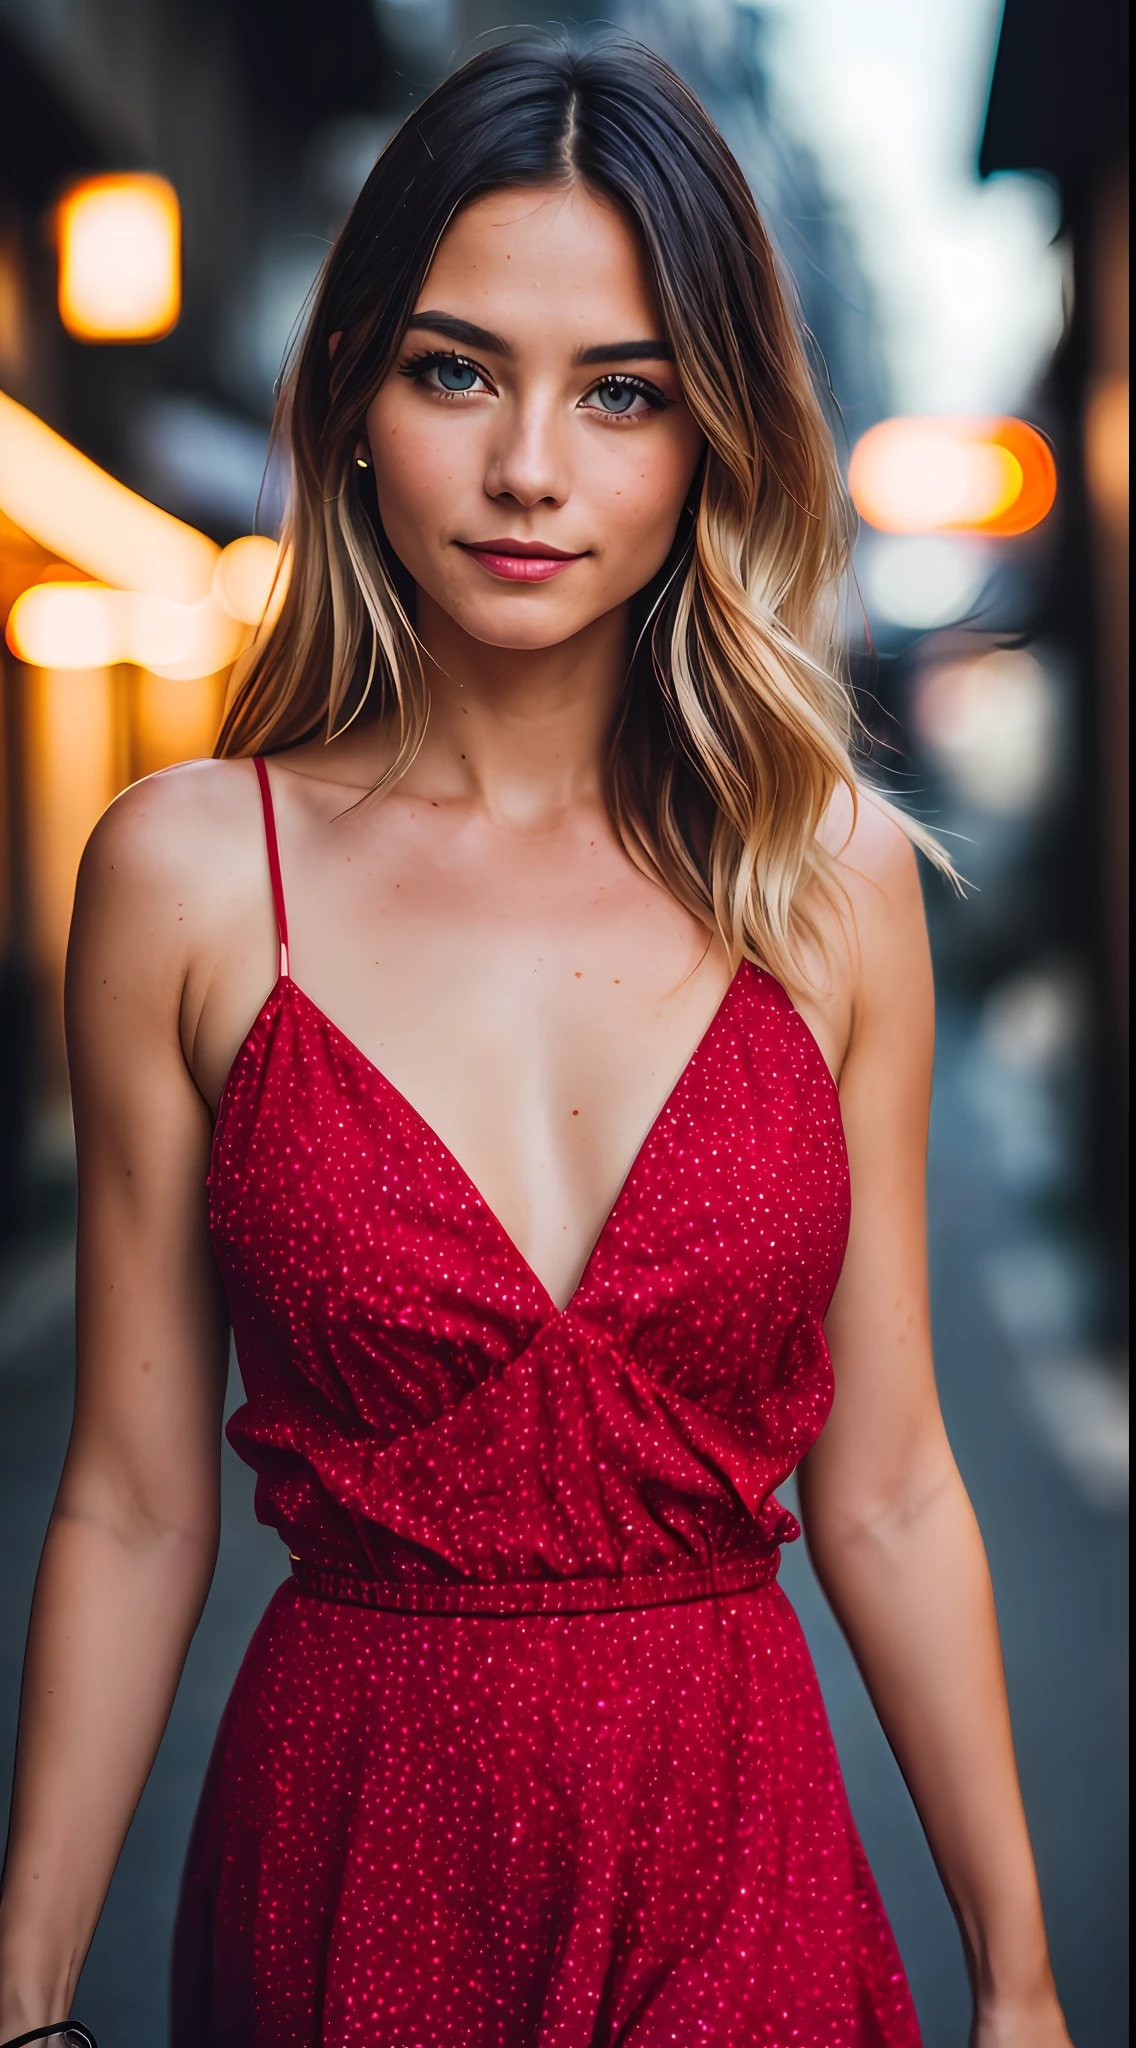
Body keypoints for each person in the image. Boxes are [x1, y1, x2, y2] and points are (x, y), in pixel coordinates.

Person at [0, 37, 1071, 2048]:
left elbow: (895, 1482)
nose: (527, 469)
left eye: (622, 391)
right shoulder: (189, 874)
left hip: (730, 1853)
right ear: (352, 398)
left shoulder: (826, 880)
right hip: (340, 1854)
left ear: (710, 437)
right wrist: (25, 1995)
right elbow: (132, 1501)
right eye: (455, 367)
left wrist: (1016, 1981)